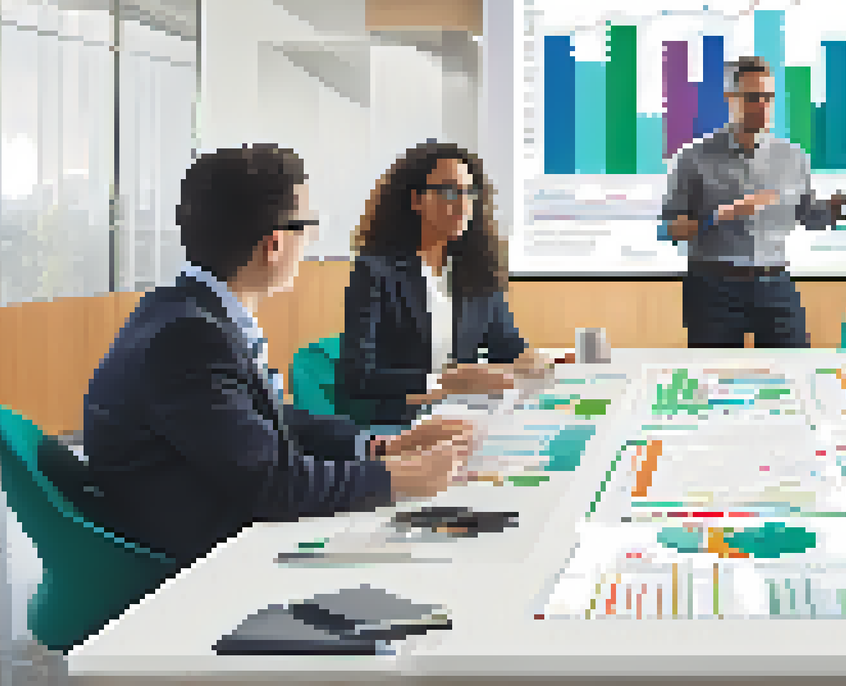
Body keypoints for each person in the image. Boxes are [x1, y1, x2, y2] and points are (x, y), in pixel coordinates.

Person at [83, 144, 472, 567]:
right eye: (308, 226)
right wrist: (402, 476)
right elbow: (276, 485)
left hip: (228, 522)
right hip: (207, 561)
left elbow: (263, 421)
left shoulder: (186, 310)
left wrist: (380, 447)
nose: (309, 242)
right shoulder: (188, 338)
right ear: (273, 244)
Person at [660, 55, 846, 347]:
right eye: (752, 98)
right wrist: (719, 215)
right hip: (713, 287)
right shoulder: (692, 158)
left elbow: (810, 217)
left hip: (776, 284)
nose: (762, 106)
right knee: (712, 378)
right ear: (729, 99)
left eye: (768, 97)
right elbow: (670, 229)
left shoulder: (793, 157)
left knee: (796, 369)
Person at [342, 141, 549, 429]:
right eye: (449, 191)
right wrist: (445, 381)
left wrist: (537, 362)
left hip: (471, 414)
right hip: (405, 425)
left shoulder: (476, 270)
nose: (462, 204)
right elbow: (357, 377)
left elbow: (507, 345)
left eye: (468, 193)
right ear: (416, 200)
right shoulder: (376, 271)